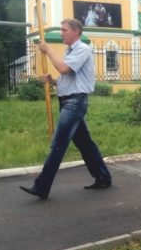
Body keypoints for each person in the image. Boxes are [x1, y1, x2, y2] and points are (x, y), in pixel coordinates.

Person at [20, 19, 112, 199]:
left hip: (75, 103)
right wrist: (52, 81)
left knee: (58, 145)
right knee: (85, 144)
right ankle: (103, 177)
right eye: (61, 30)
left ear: (76, 32)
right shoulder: (70, 51)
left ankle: (42, 187)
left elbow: (63, 68)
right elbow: (68, 77)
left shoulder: (82, 49)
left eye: (64, 30)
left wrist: (48, 51)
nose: (61, 33)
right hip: (69, 101)